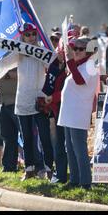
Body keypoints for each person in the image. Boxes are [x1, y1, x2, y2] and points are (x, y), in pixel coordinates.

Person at [0, 22, 54, 181]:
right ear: (22, 36)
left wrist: (52, 54)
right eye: (28, 34)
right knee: (26, 137)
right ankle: (29, 169)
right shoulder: (18, 53)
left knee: (45, 137)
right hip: (23, 99)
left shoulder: (42, 52)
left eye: (33, 34)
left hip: (40, 99)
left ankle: (48, 169)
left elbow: (52, 64)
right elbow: (4, 65)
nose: (31, 37)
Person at [57, 36, 99, 189]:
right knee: (70, 147)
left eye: (81, 49)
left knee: (79, 148)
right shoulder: (79, 65)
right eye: (75, 48)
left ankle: (85, 182)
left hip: (78, 113)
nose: (77, 51)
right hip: (69, 113)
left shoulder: (91, 65)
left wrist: (69, 61)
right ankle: (74, 179)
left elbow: (80, 81)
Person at [43, 41, 69, 184]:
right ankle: (60, 173)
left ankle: (67, 174)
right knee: (58, 143)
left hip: (66, 110)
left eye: (63, 50)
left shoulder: (70, 68)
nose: (60, 52)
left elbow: (67, 90)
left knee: (66, 144)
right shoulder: (53, 66)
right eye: (59, 49)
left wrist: (53, 97)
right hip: (54, 109)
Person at [0, 68, 20, 172]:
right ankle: (8, 166)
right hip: (3, 103)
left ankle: (32, 167)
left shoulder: (17, 56)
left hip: (16, 102)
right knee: (6, 136)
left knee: (24, 135)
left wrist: (4, 74)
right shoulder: (1, 61)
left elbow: (20, 74)